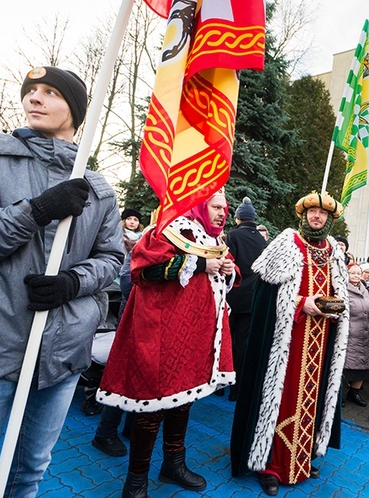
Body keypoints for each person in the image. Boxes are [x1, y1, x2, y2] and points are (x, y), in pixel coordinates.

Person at [0, 66, 124, 497]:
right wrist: (33, 212)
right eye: (30, 91)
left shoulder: (99, 188)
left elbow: (111, 258)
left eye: (50, 92)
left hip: (63, 353)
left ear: (75, 110)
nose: (35, 98)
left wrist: (73, 283)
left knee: (29, 474)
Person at [98, 189, 239, 495]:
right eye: (216, 207)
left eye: (224, 209)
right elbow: (142, 271)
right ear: (200, 205)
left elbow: (223, 275)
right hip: (162, 334)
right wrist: (200, 265)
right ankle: (136, 480)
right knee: (151, 408)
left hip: (195, 337)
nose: (221, 213)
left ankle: (173, 464)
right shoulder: (168, 228)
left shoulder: (215, 240)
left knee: (183, 401)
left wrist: (227, 268)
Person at [230, 191, 349, 496]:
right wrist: (300, 303)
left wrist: (334, 308)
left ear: (330, 219)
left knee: (314, 396)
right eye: (312, 212)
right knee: (279, 399)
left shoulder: (335, 250)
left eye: (322, 214)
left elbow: (341, 296)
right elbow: (264, 295)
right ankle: (270, 465)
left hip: (321, 341)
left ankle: (302, 458)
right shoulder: (287, 243)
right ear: (303, 214)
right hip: (286, 340)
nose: (316, 217)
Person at [225, 196, 267, 401]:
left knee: (231, 340)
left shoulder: (232, 236)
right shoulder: (261, 239)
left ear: (238, 218)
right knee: (246, 341)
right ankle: (242, 385)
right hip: (254, 297)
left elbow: (228, 264)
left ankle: (229, 385)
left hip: (235, 296)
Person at [344, 263, 369, 407]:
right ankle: (339, 395)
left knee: (363, 366)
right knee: (346, 366)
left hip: (364, 333)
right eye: (352, 273)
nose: (356, 276)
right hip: (350, 334)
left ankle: (354, 393)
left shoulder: (365, 290)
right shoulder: (343, 289)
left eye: (358, 273)